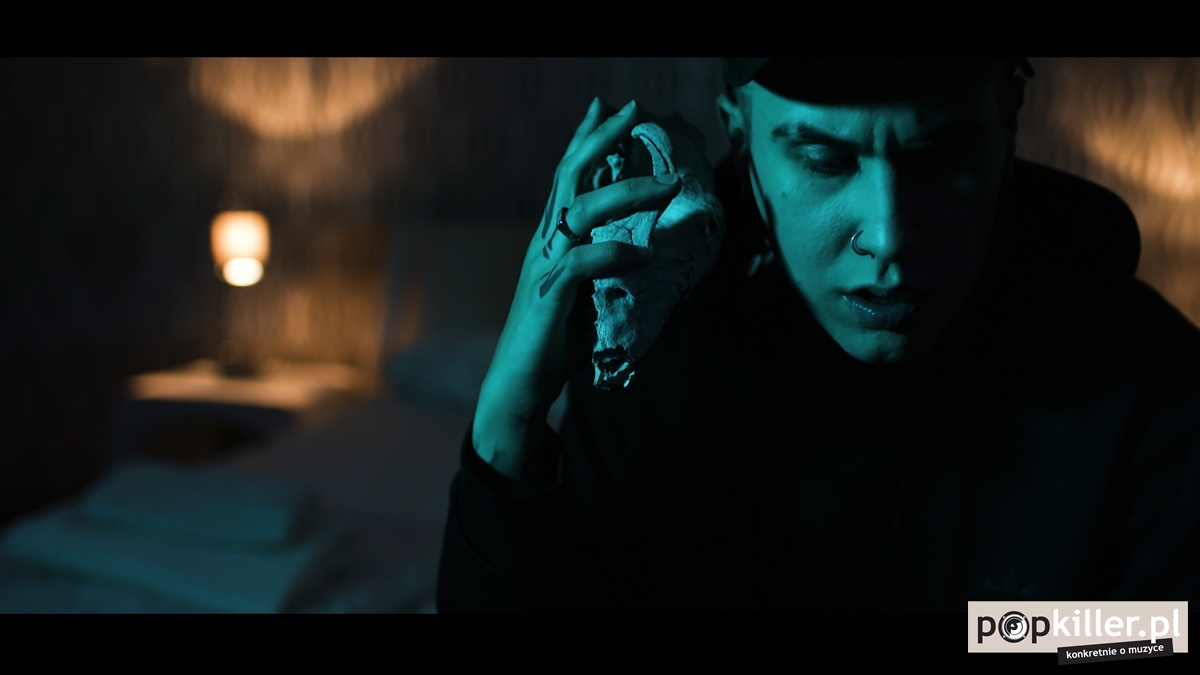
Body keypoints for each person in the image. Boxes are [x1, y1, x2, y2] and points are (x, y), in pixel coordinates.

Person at [436, 58, 1200, 612]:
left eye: (938, 156)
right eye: (824, 159)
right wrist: (510, 415)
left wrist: (991, 636)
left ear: (1006, 124)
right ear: (743, 141)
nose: (889, 234)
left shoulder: (1152, 382)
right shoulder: (660, 363)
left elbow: (1158, 634)